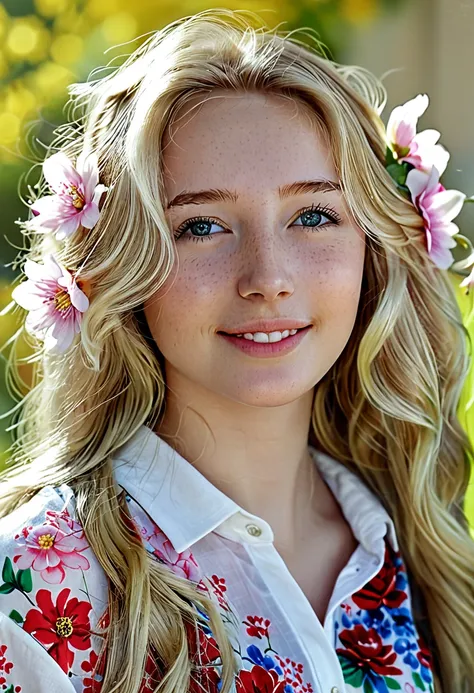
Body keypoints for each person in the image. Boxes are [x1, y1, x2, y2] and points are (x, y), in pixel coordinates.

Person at [0, 8, 473, 693]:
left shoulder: (414, 547)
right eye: (201, 226)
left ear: (374, 249)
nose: (267, 279)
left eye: (313, 215)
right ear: (119, 265)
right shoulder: (34, 589)